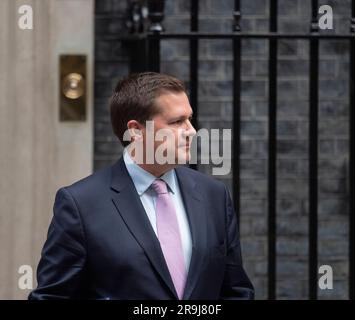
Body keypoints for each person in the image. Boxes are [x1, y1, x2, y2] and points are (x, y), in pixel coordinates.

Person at [29, 72, 254, 300]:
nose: (192, 131)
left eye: (190, 119)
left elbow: (236, 291)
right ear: (136, 130)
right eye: (177, 122)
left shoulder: (214, 195)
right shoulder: (81, 205)